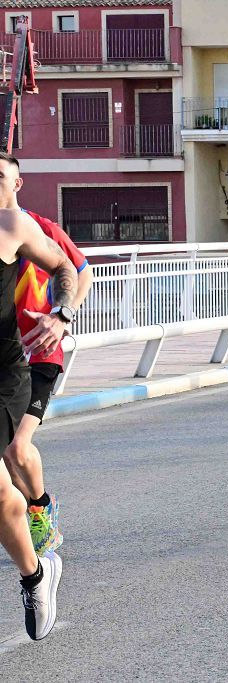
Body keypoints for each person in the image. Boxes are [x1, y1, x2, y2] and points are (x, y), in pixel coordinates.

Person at [0, 153, 83, 641]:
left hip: (18, 361)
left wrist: (62, 314)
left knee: (17, 452)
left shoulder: (17, 225)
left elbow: (70, 269)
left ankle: (35, 558)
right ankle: (37, 571)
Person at [6, 207, 92, 557]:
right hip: (5, 357)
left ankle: (41, 508)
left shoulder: (39, 228)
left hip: (40, 352)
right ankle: (26, 512)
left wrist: (62, 317)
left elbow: (82, 273)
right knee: (7, 461)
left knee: (17, 448)